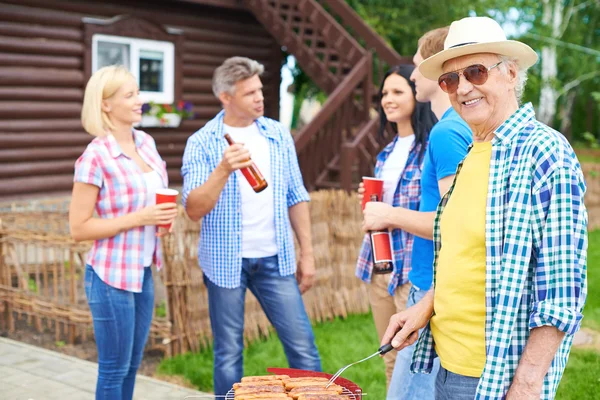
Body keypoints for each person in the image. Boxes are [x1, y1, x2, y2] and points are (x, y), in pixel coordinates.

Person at [382, 16, 588, 400]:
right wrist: (424, 308)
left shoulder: (544, 152)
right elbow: (465, 260)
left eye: (475, 72)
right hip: (446, 365)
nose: (462, 88)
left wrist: (527, 385)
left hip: (495, 378)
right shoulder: (473, 154)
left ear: (510, 73)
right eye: (450, 79)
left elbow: (562, 290)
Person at [181, 56, 321, 396]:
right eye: (249, 93)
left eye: (260, 90)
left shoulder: (276, 134)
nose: (259, 98)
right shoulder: (202, 142)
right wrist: (222, 170)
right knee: (228, 355)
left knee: (304, 352)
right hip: (226, 263)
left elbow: (295, 195)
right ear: (226, 97)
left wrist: (308, 253)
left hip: (276, 260)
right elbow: (193, 209)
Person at [362, 27, 472, 399]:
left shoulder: (445, 134)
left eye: (415, 67)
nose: (411, 75)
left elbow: (454, 225)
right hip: (428, 282)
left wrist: (388, 214)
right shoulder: (452, 129)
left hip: (428, 282)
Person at [69, 65, 178, 400]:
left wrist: (161, 220)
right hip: (110, 276)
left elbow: (153, 198)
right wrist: (139, 217)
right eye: (130, 95)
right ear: (105, 105)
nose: (139, 101)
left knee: (132, 366)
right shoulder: (95, 157)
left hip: (143, 271)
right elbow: (79, 227)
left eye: (138, 93)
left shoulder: (146, 143)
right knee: (114, 370)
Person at [355, 64, 437, 389]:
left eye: (397, 91)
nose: (388, 99)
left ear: (417, 95)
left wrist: (387, 211)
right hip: (379, 268)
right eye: (384, 93)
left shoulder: (430, 147)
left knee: (412, 365)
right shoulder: (385, 153)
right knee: (388, 357)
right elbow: (381, 209)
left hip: (410, 271)